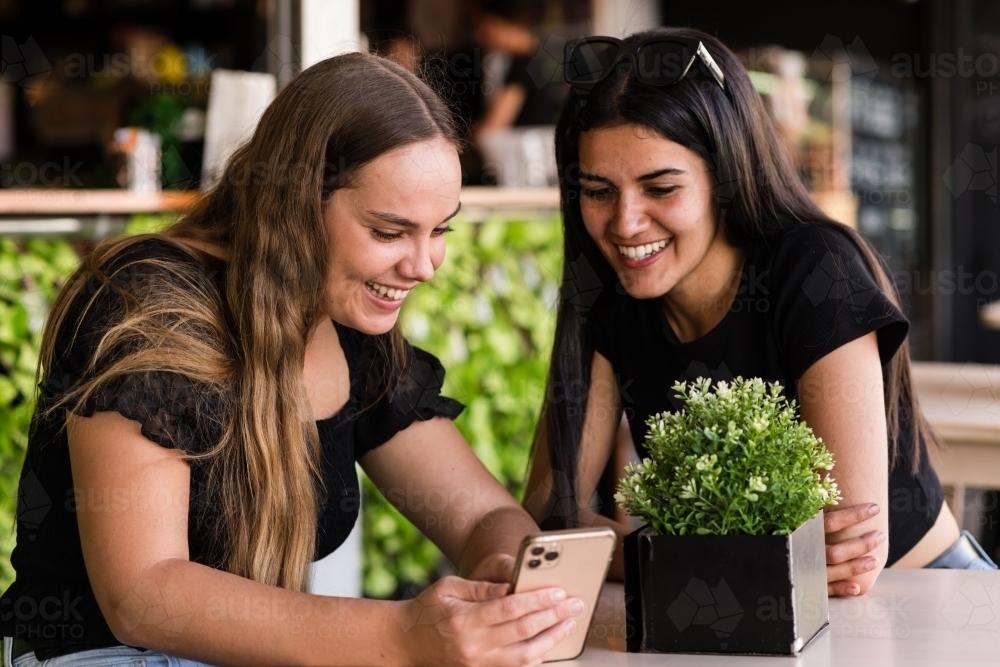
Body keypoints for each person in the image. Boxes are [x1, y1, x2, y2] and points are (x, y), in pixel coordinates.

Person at [0, 53, 585, 667]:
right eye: (390, 232)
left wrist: (504, 570)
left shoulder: (351, 327)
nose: (423, 266)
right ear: (295, 204)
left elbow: (482, 514)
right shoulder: (149, 299)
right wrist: (403, 634)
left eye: (440, 230)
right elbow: (143, 594)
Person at [522, 26, 997, 599]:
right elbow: (551, 523)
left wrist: (659, 554)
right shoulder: (609, 295)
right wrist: (744, 558)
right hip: (749, 616)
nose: (625, 223)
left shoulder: (814, 270)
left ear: (725, 176)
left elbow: (846, 567)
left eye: (661, 189)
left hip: (927, 602)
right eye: (598, 191)